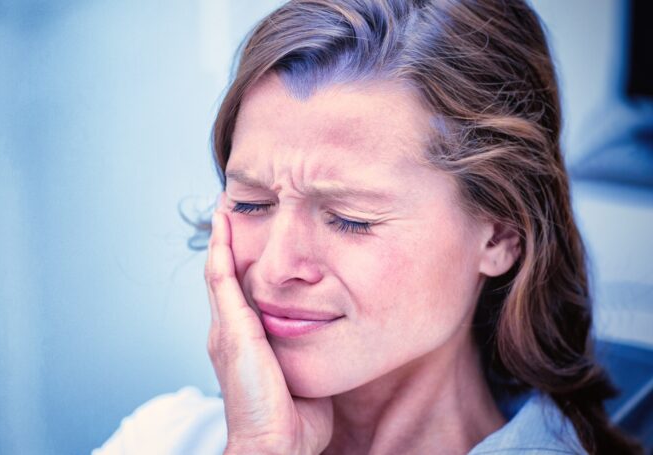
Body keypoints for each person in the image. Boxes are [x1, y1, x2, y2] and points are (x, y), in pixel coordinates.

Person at [95, 0, 644, 453]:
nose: (276, 267)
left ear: (500, 235)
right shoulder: (163, 437)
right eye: (252, 203)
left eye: (349, 219)